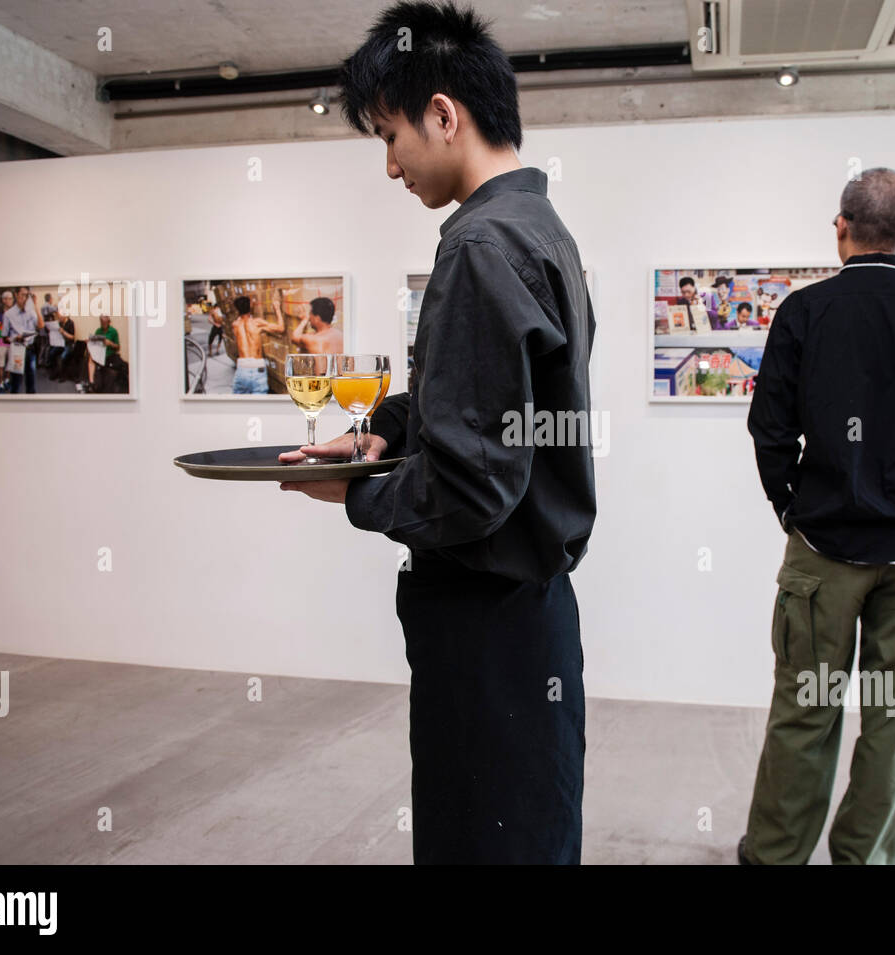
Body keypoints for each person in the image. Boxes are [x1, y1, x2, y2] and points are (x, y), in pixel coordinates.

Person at [278, 0, 596, 865]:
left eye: (390, 135)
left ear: (444, 115)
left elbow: (472, 487)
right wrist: (382, 428)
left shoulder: (478, 249)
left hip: (485, 628)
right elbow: (481, 406)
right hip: (529, 620)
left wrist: (351, 492)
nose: (389, 165)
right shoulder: (541, 232)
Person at [741, 167, 895, 865]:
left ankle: (774, 855)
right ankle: (866, 857)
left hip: (823, 547)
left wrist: (791, 505)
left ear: (839, 226)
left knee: (805, 713)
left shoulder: (804, 310)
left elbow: (769, 430)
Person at [230, 295, 284, 394]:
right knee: (259, 404)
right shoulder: (257, 323)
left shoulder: (235, 325)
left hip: (242, 368)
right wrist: (277, 309)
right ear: (250, 306)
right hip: (257, 367)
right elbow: (281, 328)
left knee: (238, 404)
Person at [1, 286, 43, 394]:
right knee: (16, 384)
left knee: (31, 384)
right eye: (22, 295)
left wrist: (35, 305)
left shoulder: (31, 312)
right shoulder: (8, 314)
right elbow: (4, 338)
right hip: (17, 351)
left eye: (27, 295)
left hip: (30, 350)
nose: (25, 298)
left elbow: (41, 325)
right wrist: (15, 338)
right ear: (16, 294)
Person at [277, 289, 343, 354]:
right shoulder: (340, 335)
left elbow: (294, 337)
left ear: (317, 318)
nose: (309, 317)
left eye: (310, 313)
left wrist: (304, 320)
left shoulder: (313, 340)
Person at [82, 315, 122, 392]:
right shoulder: (98, 330)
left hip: (109, 355)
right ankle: (91, 382)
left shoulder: (113, 331)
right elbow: (94, 343)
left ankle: (93, 383)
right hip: (99, 353)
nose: (102, 324)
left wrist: (110, 343)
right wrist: (89, 341)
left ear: (109, 322)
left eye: (104, 323)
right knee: (90, 357)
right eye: (101, 322)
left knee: (92, 359)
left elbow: (118, 347)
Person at [0, 289, 14, 392]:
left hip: (11, 341)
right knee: (0, 363)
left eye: (11, 298)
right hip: (0, 341)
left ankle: (7, 380)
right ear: (3, 300)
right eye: (8, 299)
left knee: (10, 362)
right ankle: (0, 383)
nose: (10, 301)